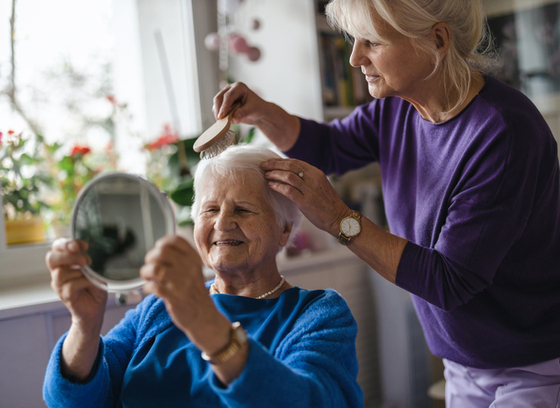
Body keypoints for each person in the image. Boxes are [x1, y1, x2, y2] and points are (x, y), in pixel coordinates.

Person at [212, 0, 560, 406]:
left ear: (437, 39)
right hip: (464, 364)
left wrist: (339, 219)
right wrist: (263, 113)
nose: (356, 56)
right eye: (355, 40)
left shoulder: (503, 133)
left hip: (535, 366)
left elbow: (449, 281)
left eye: (372, 42)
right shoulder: (395, 108)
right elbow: (329, 147)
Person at [43, 145, 364, 408]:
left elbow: (309, 401)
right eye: (210, 210)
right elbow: (72, 400)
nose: (222, 223)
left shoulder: (317, 314)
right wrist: (84, 326)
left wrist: (202, 321)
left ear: (283, 229)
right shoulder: (156, 309)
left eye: (243, 209)